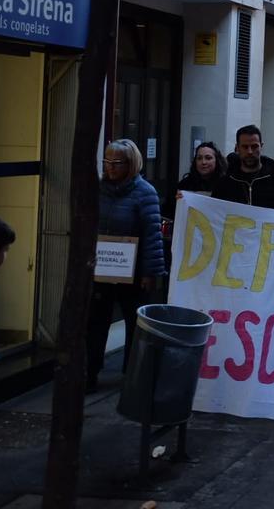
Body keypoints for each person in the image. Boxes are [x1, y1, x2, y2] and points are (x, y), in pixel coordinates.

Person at [88, 139, 165, 391]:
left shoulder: (145, 193)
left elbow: (152, 236)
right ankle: (89, 372)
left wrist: (150, 272)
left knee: (135, 324)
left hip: (133, 273)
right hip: (102, 269)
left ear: (130, 164)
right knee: (96, 322)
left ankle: (131, 376)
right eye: (107, 161)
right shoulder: (97, 190)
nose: (110, 167)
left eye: (116, 163)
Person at [212, 125, 274, 210]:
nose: (250, 151)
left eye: (254, 146)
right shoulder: (225, 182)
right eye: (245, 147)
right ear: (237, 148)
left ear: (261, 146)